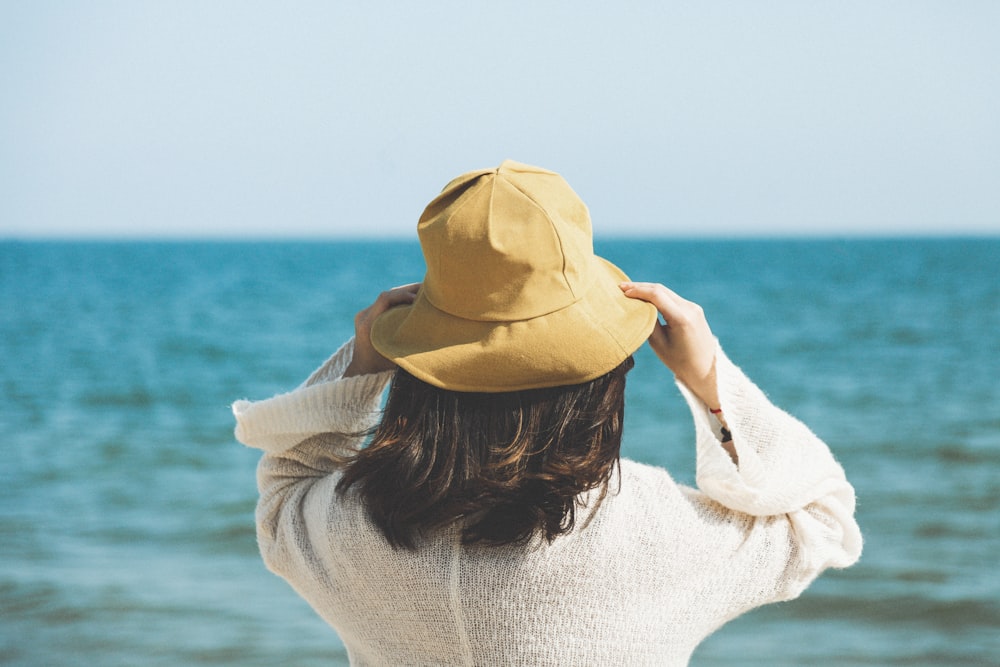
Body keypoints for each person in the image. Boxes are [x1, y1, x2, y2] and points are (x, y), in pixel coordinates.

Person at [232, 160, 862, 665]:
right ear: (601, 373)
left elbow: (284, 488)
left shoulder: (348, 526)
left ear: (420, 364)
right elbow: (823, 520)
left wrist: (363, 365)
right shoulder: (653, 530)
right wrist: (709, 378)